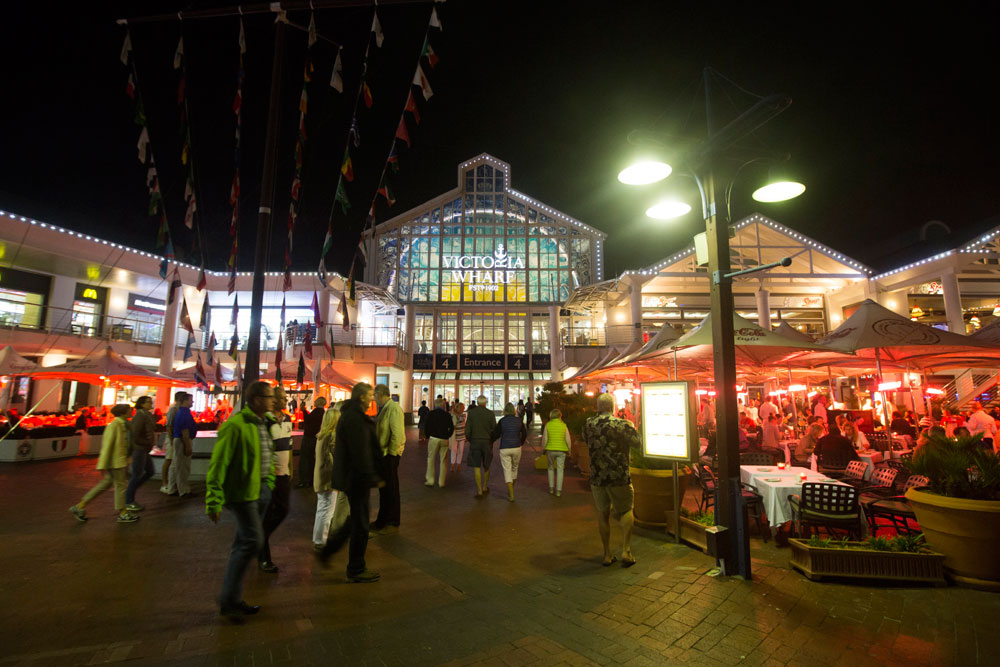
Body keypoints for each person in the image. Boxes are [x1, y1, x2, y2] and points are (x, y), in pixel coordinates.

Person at [205, 381, 276, 621]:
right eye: (269, 397)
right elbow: (218, 464)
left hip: (260, 490)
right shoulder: (235, 426)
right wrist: (213, 499)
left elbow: (268, 455)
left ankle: (232, 598)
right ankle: (228, 600)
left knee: (243, 542)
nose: (274, 401)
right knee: (252, 541)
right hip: (242, 493)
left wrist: (269, 483)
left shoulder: (263, 423)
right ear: (257, 399)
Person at [317, 382, 384, 583]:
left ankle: (329, 551)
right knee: (360, 524)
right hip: (357, 478)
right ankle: (356, 567)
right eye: (370, 394)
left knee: (355, 520)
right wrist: (371, 476)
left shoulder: (353, 416)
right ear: (361, 397)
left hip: (354, 477)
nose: (372, 398)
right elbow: (360, 452)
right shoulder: (354, 418)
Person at [582, 393, 639, 567]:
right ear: (613, 407)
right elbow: (637, 442)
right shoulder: (621, 425)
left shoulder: (588, 424)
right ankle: (626, 550)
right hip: (619, 476)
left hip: (597, 477)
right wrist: (632, 427)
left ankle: (607, 554)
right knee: (626, 510)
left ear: (598, 407)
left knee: (602, 513)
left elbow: (586, 440)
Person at [69, 404, 138, 523]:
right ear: (122, 412)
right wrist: (102, 464)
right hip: (116, 462)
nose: (131, 411)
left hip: (118, 461)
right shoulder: (116, 425)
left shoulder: (124, 424)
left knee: (105, 485)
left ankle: (80, 506)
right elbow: (107, 445)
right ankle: (123, 512)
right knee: (120, 486)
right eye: (129, 410)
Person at [258, 388, 292, 574]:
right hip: (270, 475)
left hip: (283, 474)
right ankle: (264, 556)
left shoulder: (287, 420)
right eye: (282, 398)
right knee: (267, 514)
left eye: (285, 398)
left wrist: (290, 469)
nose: (285, 400)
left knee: (283, 509)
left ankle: (259, 538)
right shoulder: (265, 421)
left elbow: (288, 446)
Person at [313, 402, 349, 550]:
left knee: (321, 508)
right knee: (327, 510)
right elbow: (339, 457)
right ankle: (321, 541)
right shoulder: (333, 436)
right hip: (329, 478)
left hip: (320, 477)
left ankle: (318, 538)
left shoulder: (321, 436)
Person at [372, 385, 405, 532]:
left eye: (374, 395)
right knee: (386, 488)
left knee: (389, 488)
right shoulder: (385, 408)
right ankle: (386, 518)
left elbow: (397, 434)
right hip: (385, 454)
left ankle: (389, 519)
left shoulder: (393, 409)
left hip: (389, 455)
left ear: (380, 394)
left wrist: (392, 454)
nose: (373, 399)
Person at [125, 396, 156, 512]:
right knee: (137, 474)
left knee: (149, 472)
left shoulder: (145, 415)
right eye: (148, 402)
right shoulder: (140, 416)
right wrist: (147, 442)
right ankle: (129, 499)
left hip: (143, 449)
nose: (151, 403)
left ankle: (129, 493)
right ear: (142, 404)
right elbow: (135, 434)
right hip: (140, 449)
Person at [464, 395, 497, 498]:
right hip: (487, 442)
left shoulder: (471, 413)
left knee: (476, 466)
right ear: (485, 402)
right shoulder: (490, 414)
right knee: (487, 465)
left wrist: (470, 439)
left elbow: (467, 429)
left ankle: (479, 490)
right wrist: (491, 440)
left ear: (477, 402)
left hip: (475, 441)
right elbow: (494, 429)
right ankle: (485, 487)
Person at [494, 403, 527, 502]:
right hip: (516, 447)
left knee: (507, 470)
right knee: (514, 468)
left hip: (505, 447)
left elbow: (496, 434)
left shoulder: (502, 421)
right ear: (514, 410)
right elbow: (524, 433)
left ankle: (511, 494)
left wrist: (490, 440)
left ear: (505, 410)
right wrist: (521, 442)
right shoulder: (519, 420)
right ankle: (511, 488)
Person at [423, 397, 454, 488]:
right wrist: (448, 435)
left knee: (431, 459)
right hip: (444, 439)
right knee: (443, 460)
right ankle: (441, 482)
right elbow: (451, 427)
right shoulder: (447, 415)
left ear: (435, 404)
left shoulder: (431, 414)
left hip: (434, 438)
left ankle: (430, 480)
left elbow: (427, 426)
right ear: (443, 405)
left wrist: (428, 435)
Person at [170, 393, 196, 498]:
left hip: (180, 439)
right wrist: (188, 445)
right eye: (190, 400)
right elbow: (185, 430)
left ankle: (172, 488)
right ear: (185, 401)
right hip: (182, 440)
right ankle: (183, 490)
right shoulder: (184, 413)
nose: (192, 402)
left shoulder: (182, 412)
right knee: (183, 467)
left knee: (177, 465)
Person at [542, 408, 571, 497]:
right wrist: (569, 450)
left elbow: (545, 439)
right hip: (562, 450)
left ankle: (551, 488)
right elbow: (568, 439)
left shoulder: (548, 425)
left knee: (550, 468)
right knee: (560, 469)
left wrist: (543, 449)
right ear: (560, 416)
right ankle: (558, 490)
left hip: (550, 450)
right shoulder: (564, 425)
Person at [297, 397, 326, 487]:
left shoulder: (317, 411)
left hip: (309, 437)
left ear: (319, 402)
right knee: (312, 459)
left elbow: (308, 420)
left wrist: (303, 410)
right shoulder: (323, 412)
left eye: (316, 400)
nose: (314, 401)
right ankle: (311, 479)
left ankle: (304, 480)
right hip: (316, 438)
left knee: (305, 459)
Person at [160, 393, 182, 495]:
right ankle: (165, 483)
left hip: (175, 437)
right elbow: (168, 426)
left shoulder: (179, 409)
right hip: (172, 438)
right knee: (169, 459)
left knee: (173, 460)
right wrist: (171, 439)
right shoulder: (173, 410)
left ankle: (171, 482)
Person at [449, 402, 467, 474]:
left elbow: (460, 420)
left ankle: (458, 464)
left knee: (460, 450)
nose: (464, 409)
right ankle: (452, 465)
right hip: (454, 435)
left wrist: (454, 412)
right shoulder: (452, 415)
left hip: (462, 435)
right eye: (462, 408)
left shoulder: (463, 415)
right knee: (454, 450)